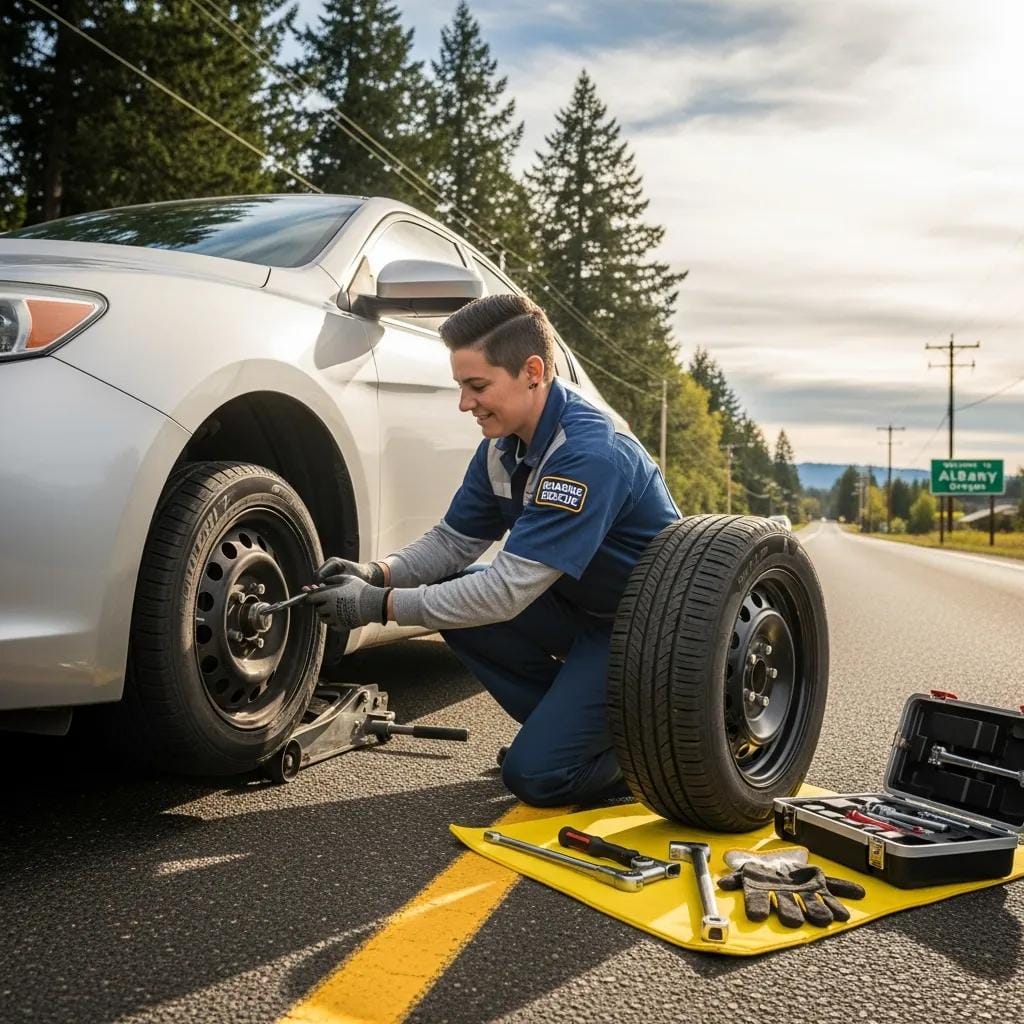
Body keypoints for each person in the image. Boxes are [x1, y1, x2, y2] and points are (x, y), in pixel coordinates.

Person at [307, 294, 679, 806]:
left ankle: (638, 751)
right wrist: (378, 573)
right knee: (443, 589)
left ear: (531, 371)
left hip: (642, 635)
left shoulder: (589, 454)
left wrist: (378, 607)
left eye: (477, 386)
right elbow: (453, 542)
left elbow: (505, 593)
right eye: (461, 386)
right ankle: (566, 733)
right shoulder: (503, 447)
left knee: (536, 778)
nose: (465, 403)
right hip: (580, 608)